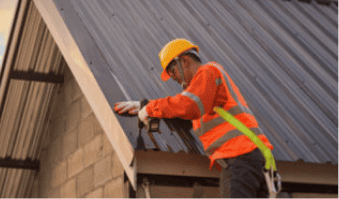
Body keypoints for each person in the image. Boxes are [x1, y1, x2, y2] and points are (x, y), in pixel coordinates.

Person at [114, 38, 274, 198]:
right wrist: (145, 106)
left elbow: (187, 105)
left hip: (239, 156)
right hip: (252, 158)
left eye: (172, 71)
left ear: (184, 61)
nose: (173, 78)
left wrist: (150, 108)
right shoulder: (204, 93)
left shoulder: (209, 71)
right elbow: (182, 109)